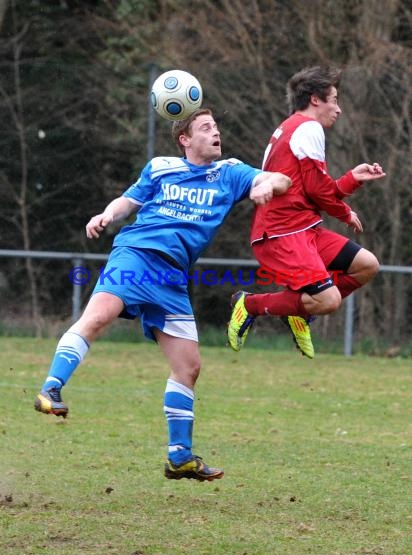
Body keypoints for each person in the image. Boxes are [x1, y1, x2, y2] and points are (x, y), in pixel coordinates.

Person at [34, 108, 291, 482]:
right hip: (137, 255)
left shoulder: (231, 172)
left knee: (189, 367)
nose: (216, 132)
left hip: (172, 278)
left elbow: (278, 177)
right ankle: (51, 388)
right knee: (99, 317)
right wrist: (106, 214)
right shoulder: (160, 167)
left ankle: (180, 457)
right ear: (185, 139)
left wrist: (268, 184)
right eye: (206, 128)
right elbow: (129, 201)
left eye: (216, 126)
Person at [227, 66, 386, 358]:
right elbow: (318, 191)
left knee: (367, 265)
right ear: (315, 99)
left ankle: (300, 310)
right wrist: (345, 212)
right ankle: (248, 305)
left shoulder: (292, 127)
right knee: (328, 301)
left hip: (303, 228)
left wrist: (352, 178)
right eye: (334, 100)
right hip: (282, 233)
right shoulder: (308, 128)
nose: (338, 109)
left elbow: (313, 188)